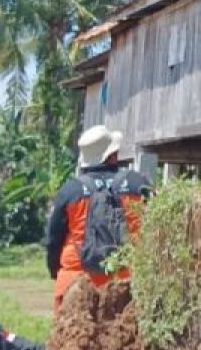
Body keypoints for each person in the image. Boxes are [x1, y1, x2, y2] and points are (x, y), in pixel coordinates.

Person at [45, 126, 151, 313]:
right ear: (111, 156)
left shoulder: (70, 191)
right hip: (127, 287)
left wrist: (56, 272)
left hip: (76, 286)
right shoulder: (137, 184)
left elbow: (53, 241)